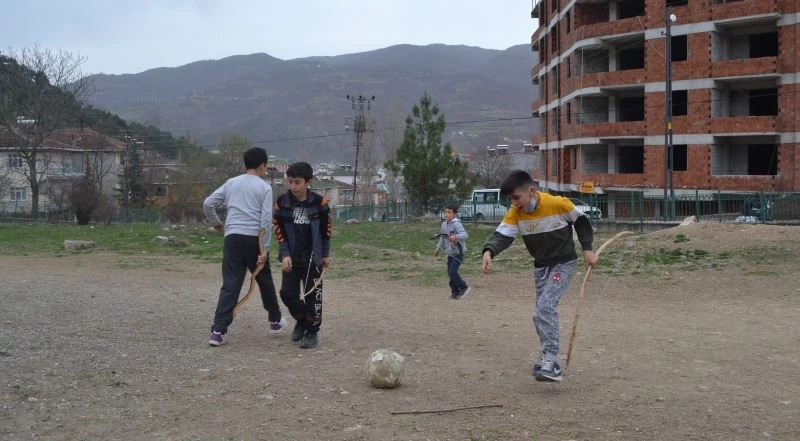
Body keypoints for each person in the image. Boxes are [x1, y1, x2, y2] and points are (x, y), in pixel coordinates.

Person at [481, 170, 598, 382]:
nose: (514, 203)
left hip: (563, 264)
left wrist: (587, 249)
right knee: (538, 314)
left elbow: (581, 222)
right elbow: (503, 235)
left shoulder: (558, 203)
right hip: (541, 267)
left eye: (516, 198)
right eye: (510, 200)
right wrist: (489, 251)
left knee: (545, 307)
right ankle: (546, 354)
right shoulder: (516, 212)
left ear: (531, 191)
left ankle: (553, 362)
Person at [203, 147, 286, 346]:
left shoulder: (231, 183)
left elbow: (208, 203)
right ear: (262, 166)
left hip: (232, 237)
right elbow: (265, 220)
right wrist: (265, 249)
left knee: (230, 284)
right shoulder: (264, 188)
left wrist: (216, 223)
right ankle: (275, 321)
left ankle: (217, 331)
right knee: (264, 280)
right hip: (254, 239)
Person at [273, 162, 332, 349]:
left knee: (314, 297)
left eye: (297, 182)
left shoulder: (319, 203)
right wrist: (285, 254)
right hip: (291, 259)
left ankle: (312, 332)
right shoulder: (282, 202)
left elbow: (326, 230)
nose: (293, 186)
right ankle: (302, 320)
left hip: (313, 259)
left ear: (308, 182)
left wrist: (325, 254)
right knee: (287, 294)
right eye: (290, 182)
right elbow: (279, 230)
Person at [433, 203, 470, 299]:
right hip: (450, 253)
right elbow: (442, 238)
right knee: (450, 273)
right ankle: (455, 292)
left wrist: (456, 237)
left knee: (453, 272)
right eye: (445, 212)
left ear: (454, 214)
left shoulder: (456, 224)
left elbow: (465, 235)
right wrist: (438, 249)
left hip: (458, 253)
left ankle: (464, 287)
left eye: (449, 212)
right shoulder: (444, 224)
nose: (446, 214)